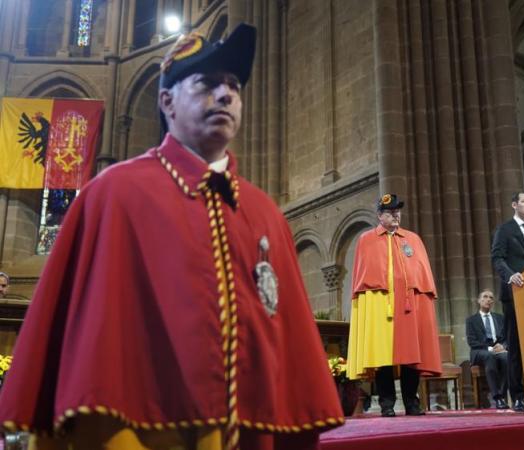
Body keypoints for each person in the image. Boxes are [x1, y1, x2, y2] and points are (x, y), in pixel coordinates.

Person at [0, 24, 342, 450]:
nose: (225, 95)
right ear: (166, 102)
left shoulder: (265, 213)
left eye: (233, 86)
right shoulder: (115, 194)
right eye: (206, 84)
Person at [346, 193, 442, 417]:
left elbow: (422, 273)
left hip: (410, 304)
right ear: (380, 216)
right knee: (383, 357)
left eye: (397, 211)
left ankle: (412, 402)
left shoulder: (412, 239)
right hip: (381, 304)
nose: (395, 215)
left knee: (411, 356)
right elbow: (363, 276)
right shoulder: (367, 239)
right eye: (390, 212)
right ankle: (387, 404)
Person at [490, 189, 524, 413]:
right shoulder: (505, 230)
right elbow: (497, 258)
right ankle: (518, 396)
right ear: (514, 205)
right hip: (514, 296)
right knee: (517, 348)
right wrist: (510, 275)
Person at [465, 289, 509, 409]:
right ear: (479, 300)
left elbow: (506, 337)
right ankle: (497, 397)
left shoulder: (499, 318)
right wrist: (490, 349)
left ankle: (502, 395)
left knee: (506, 358)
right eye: (485, 296)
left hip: (498, 349)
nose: (488, 299)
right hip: (480, 350)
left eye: (491, 297)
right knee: (489, 356)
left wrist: (503, 346)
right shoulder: (471, 320)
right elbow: (472, 342)